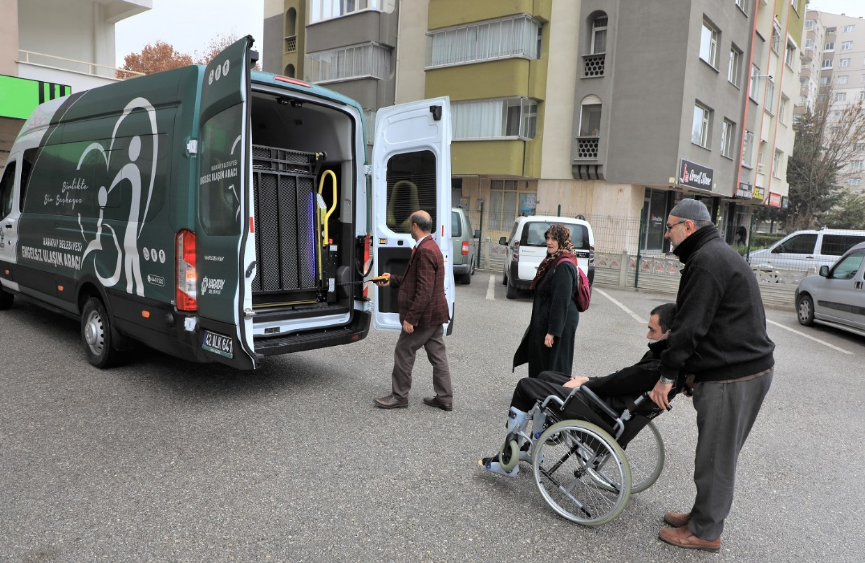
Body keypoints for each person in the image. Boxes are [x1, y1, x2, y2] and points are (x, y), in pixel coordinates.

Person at [649, 199, 774, 553]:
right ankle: (703, 515)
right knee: (713, 454)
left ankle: (705, 531)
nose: (667, 235)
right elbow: (712, 326)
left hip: (735, 376)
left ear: (689, 227)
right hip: (738, 369)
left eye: (670, 227)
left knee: (716, 458)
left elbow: (689, 328)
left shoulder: (706, 262)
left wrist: (667, 376)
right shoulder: (711, 254)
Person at [480, 303, 678, 476]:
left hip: (601, 413)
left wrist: (585, 382)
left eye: (652, 330)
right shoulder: (672, 366)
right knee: (545, 376)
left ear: (669, 333)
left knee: (525, 386)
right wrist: (587, 380)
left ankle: (506, 462)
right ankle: (534, 451)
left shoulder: (655, 369)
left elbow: (617, 382)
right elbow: (620, 381)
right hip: (613, 409)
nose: (648, 335)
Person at [373, 210, 454, 411]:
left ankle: (399, 396)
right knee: (438, 356)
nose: (409, 228)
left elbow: (424, 291)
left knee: (403, 351)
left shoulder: (425, 250)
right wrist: (391, 279)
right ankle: (445, 398)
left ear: (415, 226)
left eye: (410, 224)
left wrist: (411, 318)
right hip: (435, 314)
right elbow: (415, 282)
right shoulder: (430, 246)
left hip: (424, 316)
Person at [513, 224, 579, 378]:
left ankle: (552, 395)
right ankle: (540, 392)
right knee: (541, 358)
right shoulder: (553, 260)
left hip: (558, 323)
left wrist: (552, 332)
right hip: (548, 319)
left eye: (554, 239)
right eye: (548, 238)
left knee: (554, 364)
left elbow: (561, 301)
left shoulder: (564, 265)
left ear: (562, 241)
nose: (549, 242)